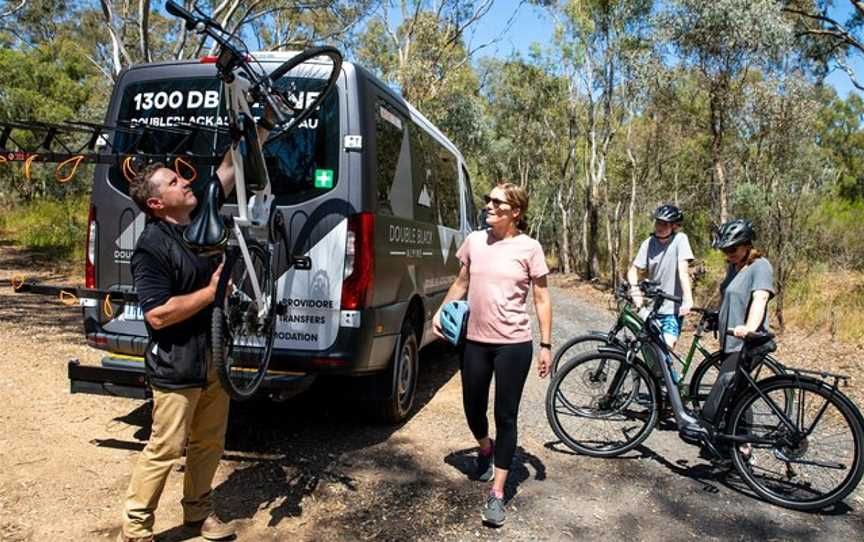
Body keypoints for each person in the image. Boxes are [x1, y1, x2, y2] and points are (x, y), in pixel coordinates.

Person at [117, 111, 275, 542]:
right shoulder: (151, 246)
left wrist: (260, 129)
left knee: (209, 445)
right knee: (165, 449)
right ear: (155, 203)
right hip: (176, 364)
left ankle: (197, 517)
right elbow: (157, 314)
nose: (185, 182)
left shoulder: (201, 218)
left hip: (214, 360)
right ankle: (135, 530)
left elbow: (229, 168)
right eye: (173, 182)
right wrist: (210, 294)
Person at [433, 182, 553, 527]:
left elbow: (541, 298)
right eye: (487, 200)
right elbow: (461, 281)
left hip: (513, 344)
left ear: (514, 212)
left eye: (496, 202)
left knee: (507, 416)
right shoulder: (474, 241)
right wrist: (441, 312)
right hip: (474, 340)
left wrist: (545, 345)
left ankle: (497, 494)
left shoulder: (530, 248)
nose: (488, 205)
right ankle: (485, 447)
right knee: (473, 405)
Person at [700, 219, 774, 427]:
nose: (728, 253)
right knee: (736, 392)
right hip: (731, 343)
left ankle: (743, 444)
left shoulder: (760, 266)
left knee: (728, 392)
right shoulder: (734, 266)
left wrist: (749, 328)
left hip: (747, 343)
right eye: (725, 250)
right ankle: (733, 444)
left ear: (746, 244)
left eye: (732, 248)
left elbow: (760, 298)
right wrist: (717, 316)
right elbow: (731, 296)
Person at [627, 204, 694, 349]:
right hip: (652, 309)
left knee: (665, 350)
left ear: (674, 226)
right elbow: (633, 270)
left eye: (664, 224)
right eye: (658, 222)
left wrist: (688, 300)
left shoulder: (680, 240)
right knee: (649, 355)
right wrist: (635, 291)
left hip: (672, 310)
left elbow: (683, 272)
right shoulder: (649, 243)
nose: (659, 227)